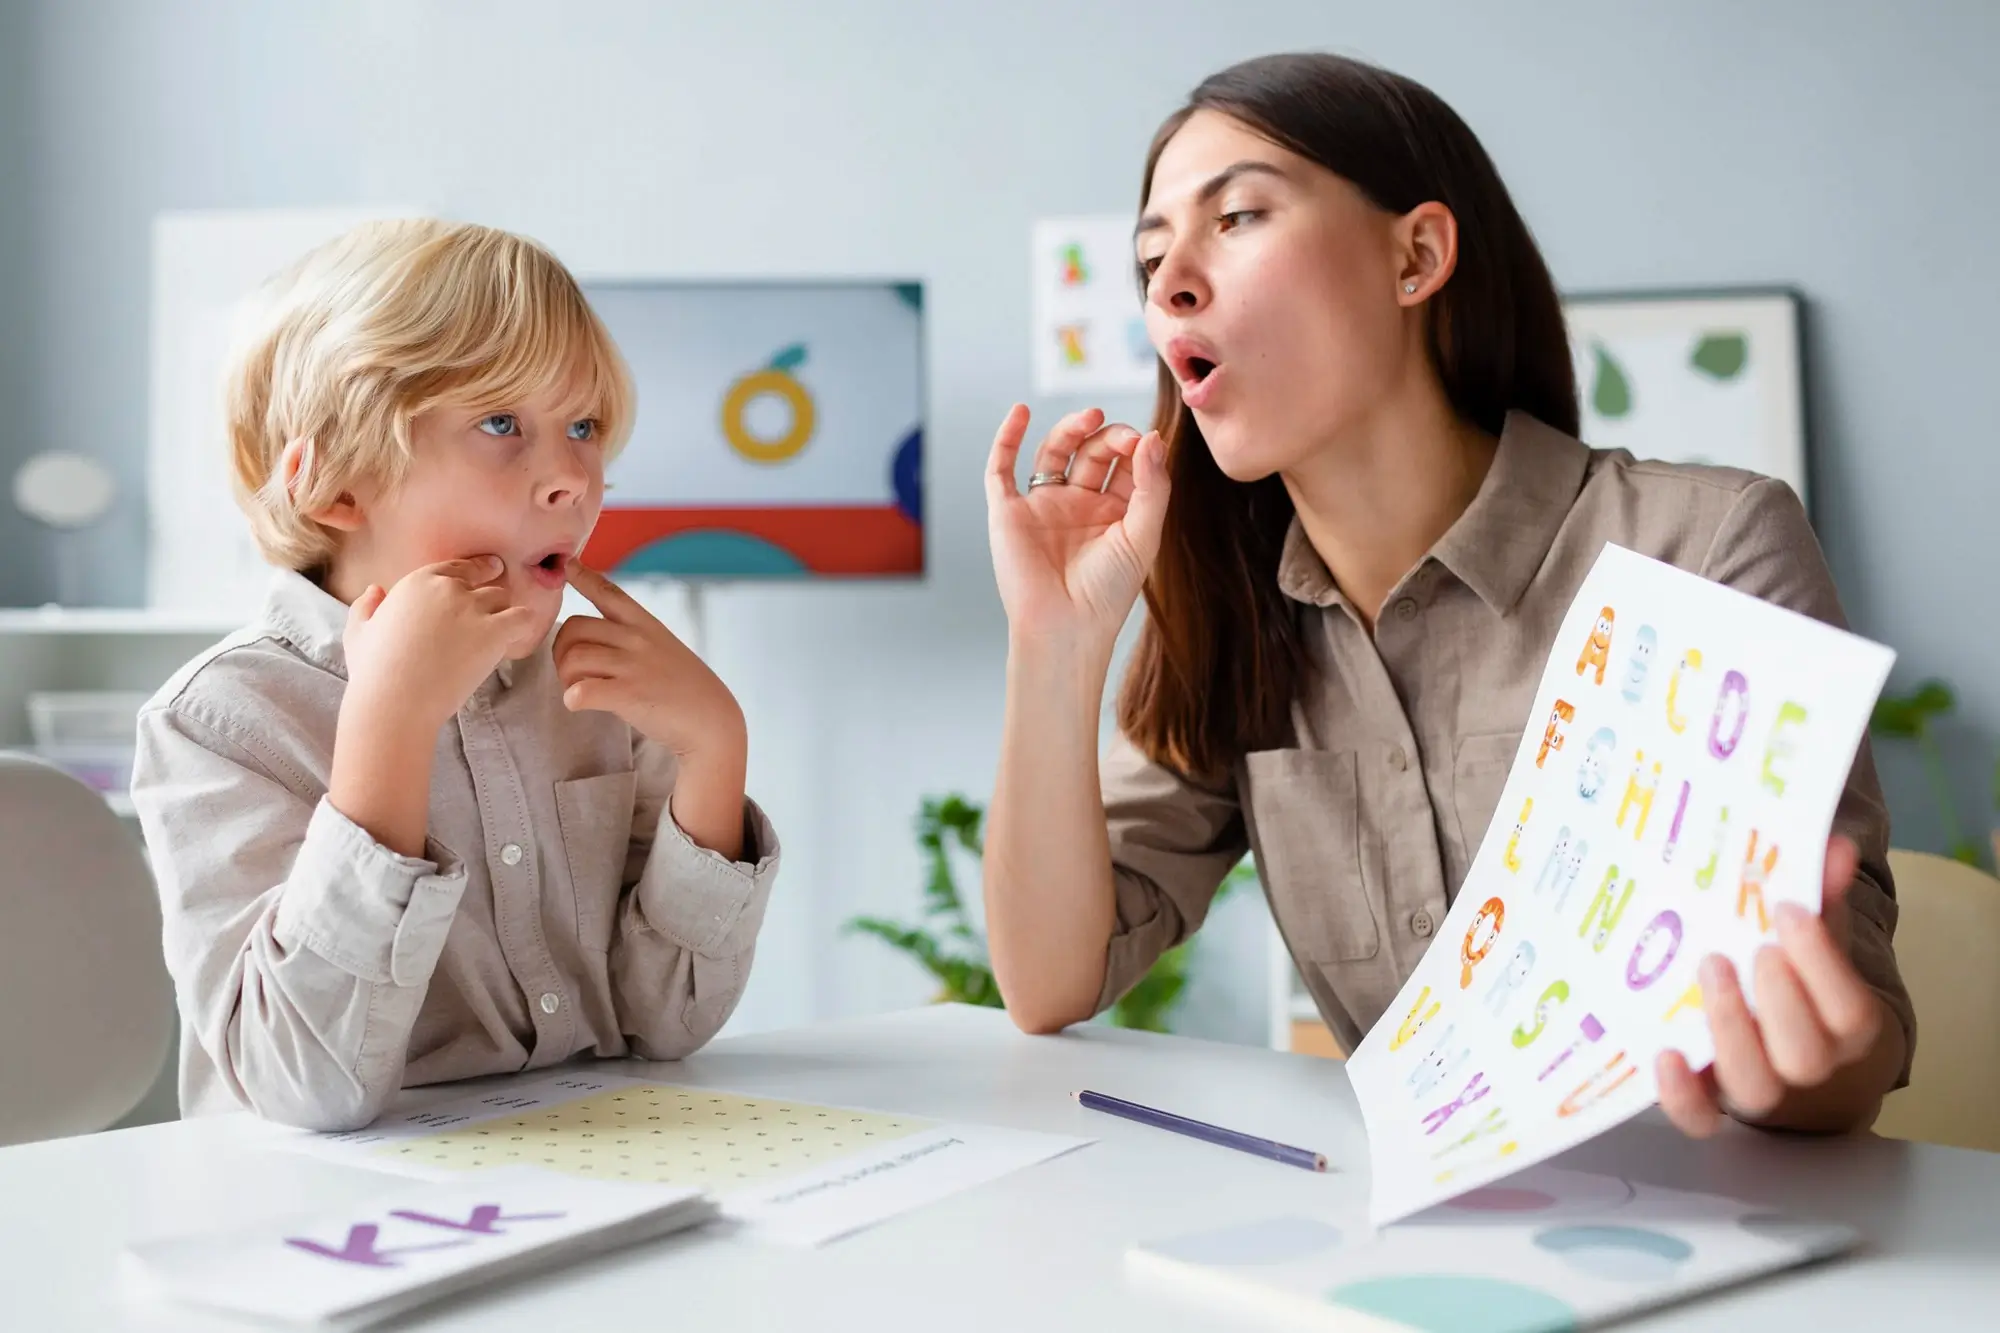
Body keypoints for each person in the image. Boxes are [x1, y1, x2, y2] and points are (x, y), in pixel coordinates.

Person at [981, 53, 1910, 1136]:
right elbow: (1048, 981)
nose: (1170, 283)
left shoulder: (1707, 548)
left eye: (1235, 218)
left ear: (1415, 255)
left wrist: (1801, 1065)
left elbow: (1849, 1031)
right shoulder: (1237, 612)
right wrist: (1053, 643)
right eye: (1149, 258)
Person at [131, 219, 779, 1131]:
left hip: (582, 1163)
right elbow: (302, 1083)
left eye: (584, 426)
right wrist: (390, 726)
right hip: (321, 1202)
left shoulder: (596, 690)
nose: (571, 478)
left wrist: (715, 751)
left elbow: (667, 1023)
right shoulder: (220, 720)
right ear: (337, 484)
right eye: (500, 422)